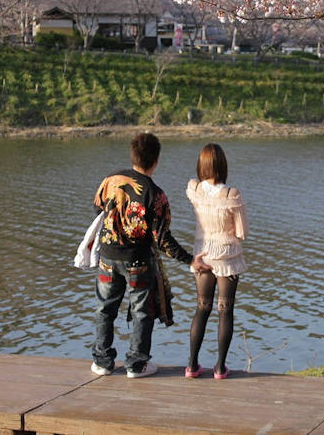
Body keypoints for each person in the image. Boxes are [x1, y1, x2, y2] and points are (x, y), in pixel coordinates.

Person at [91, 132, 209, 378]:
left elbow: (97, 207)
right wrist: (190, 260)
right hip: (138, 262)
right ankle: (137, 364)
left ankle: (102, 362)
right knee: (142, 312)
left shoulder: (111, 180)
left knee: (105, 309)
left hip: (108, 257)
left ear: (132, 155)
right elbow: (162, 238)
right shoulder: (156, 195)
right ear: (156, 160)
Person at [184, 143, 248, 379]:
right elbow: (242, 232)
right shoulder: (232, 195)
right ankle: (220, 368)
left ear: (201, 165)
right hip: (227, 257)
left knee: (201, 308)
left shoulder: (194, 189)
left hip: (201, 254)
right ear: (222, 165)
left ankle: (192, 366)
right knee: (225, 310)